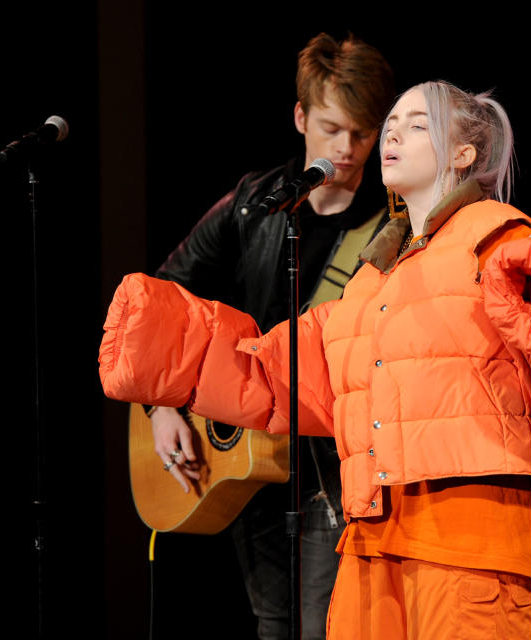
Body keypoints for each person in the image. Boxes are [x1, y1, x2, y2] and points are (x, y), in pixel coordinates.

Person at [101, 80, 531, 639]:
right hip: (370, 539)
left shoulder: (498, 240)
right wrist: (153, 340)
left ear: (463, 154)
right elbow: (279, 374)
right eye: (391, 124)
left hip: (468, 540)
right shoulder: (371, 280)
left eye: (415, 125)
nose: (392, 134)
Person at [143, 33, 394, 640]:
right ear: (300, 116)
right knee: (273, 625)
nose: (348, 148)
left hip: (333, 467)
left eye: (363, 132)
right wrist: (161, 403)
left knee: (321, 625)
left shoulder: (390, 222)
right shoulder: (255, 203)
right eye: (333, 128)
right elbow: (160, 296)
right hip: (251, 466)